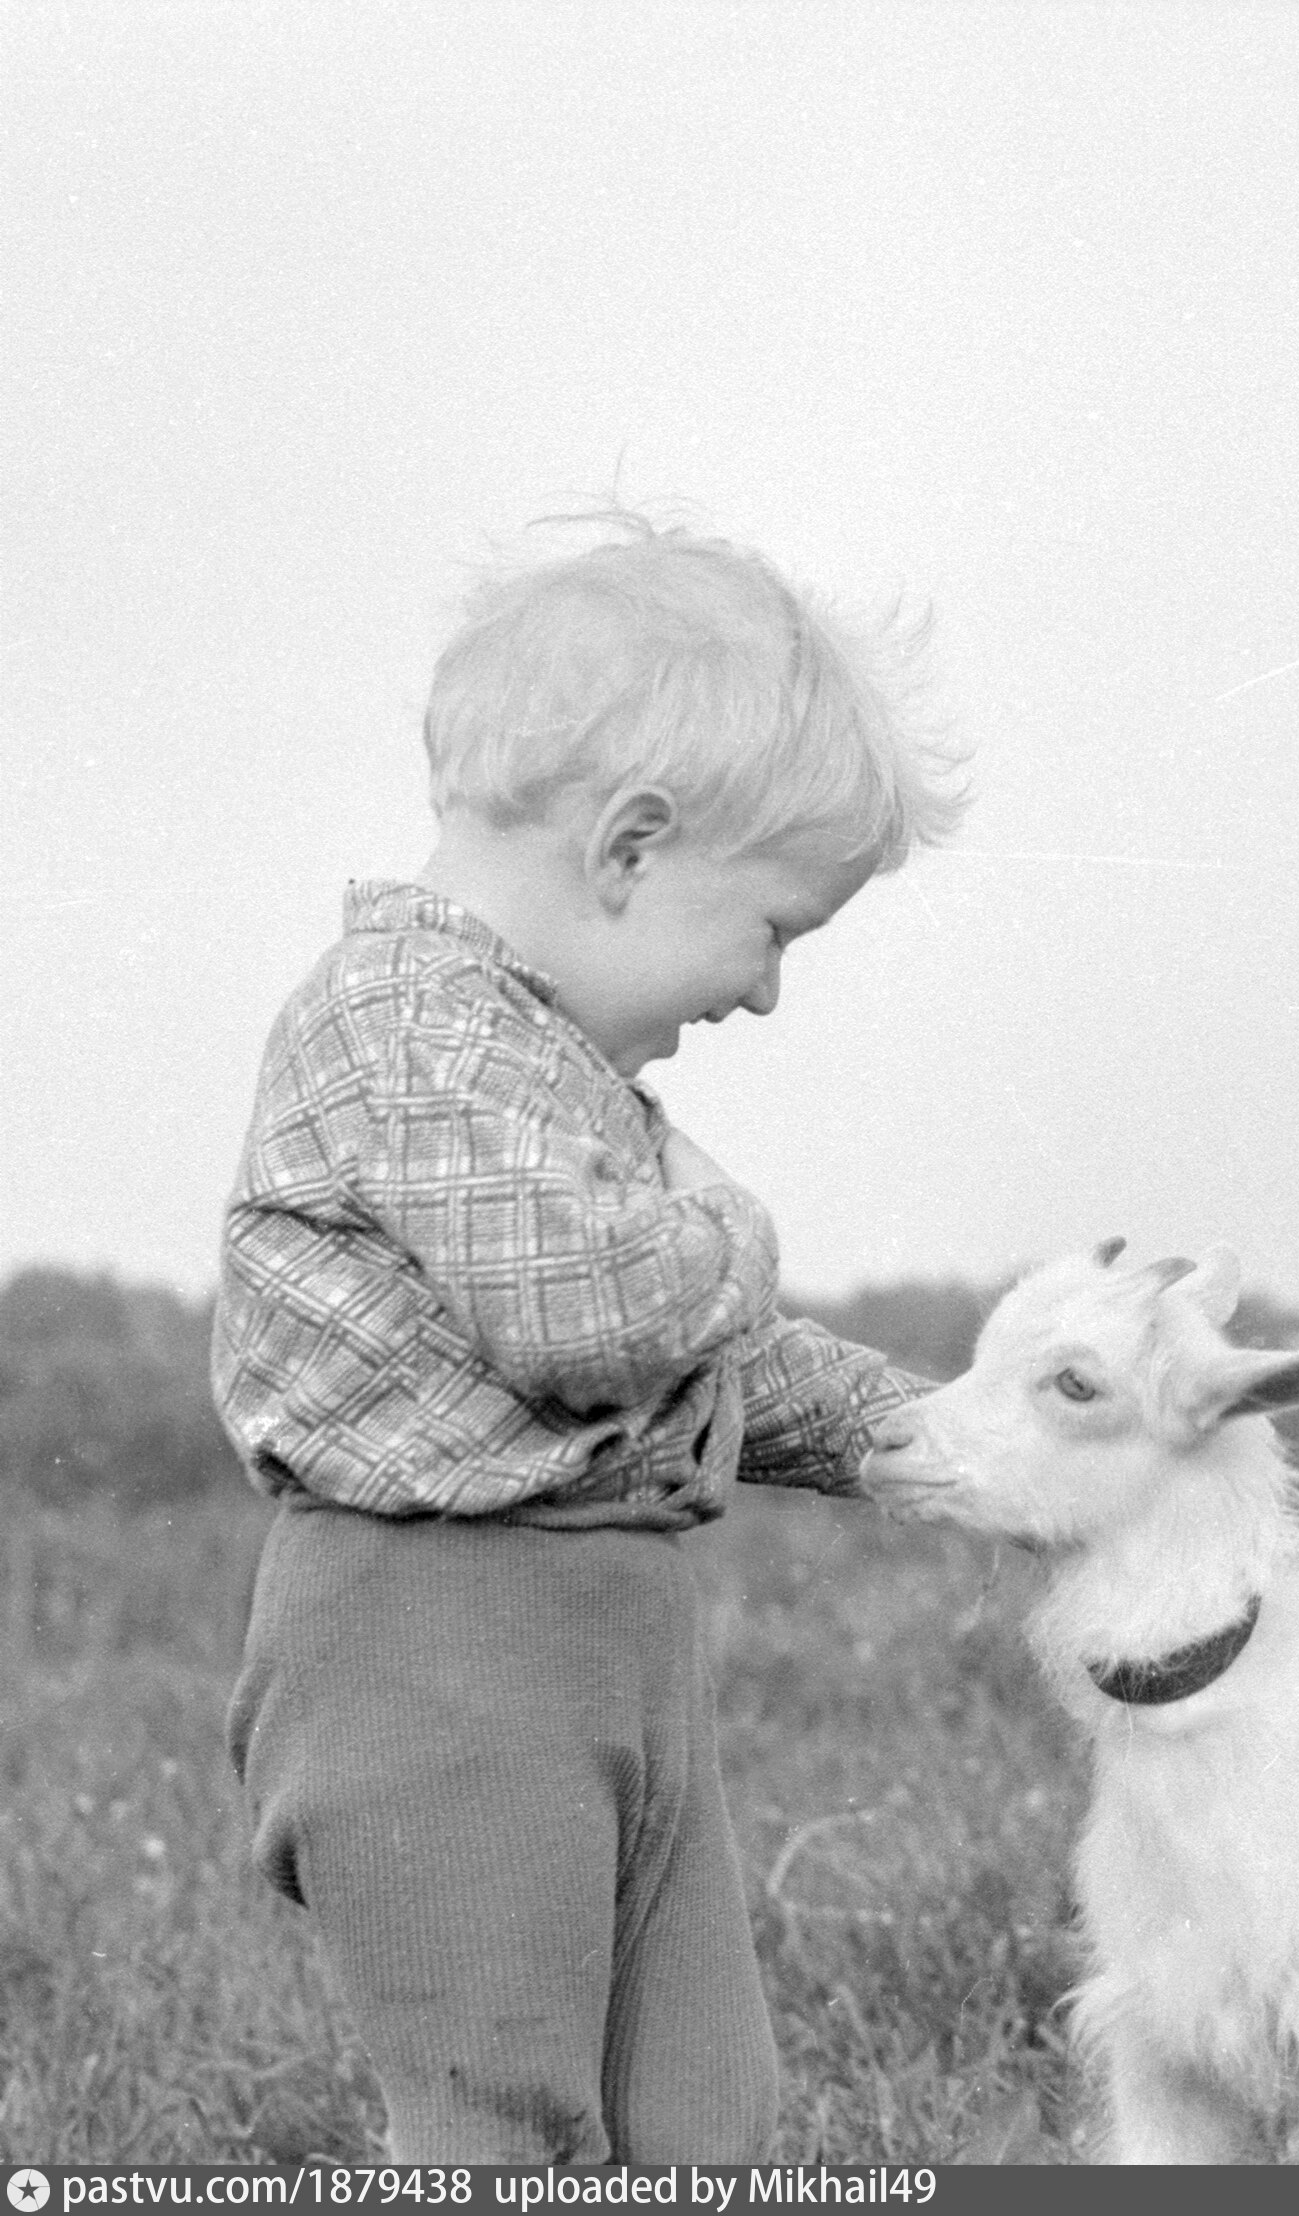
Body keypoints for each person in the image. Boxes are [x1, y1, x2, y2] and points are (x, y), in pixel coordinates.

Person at [213, 512, 969, 2164]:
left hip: (611, 1663)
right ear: (628, 849)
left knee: (704, 2123)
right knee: (500, 2128)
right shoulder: (402, 1024)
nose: (766, 993)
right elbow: (583, 1315)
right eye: (775, 926)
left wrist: (910, 1431)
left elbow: (680, 1355)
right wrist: (736, 1229)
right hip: (434, 1658)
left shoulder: (541, 1067)